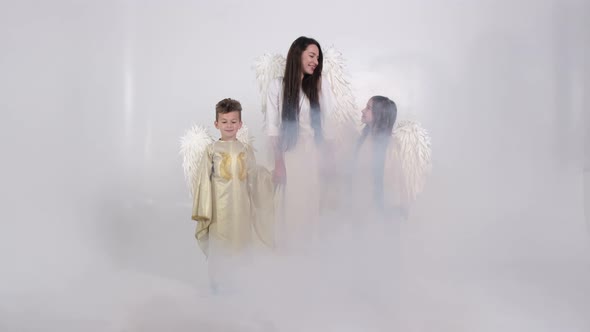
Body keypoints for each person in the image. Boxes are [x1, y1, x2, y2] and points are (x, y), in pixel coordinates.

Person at [192, 98, 274, 291]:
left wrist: (269, 177)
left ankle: (239, 288)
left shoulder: (245, 150)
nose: (229, 125)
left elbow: (254, 177)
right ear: (216, 124)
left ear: (240, 124)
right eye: (224, 121)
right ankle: (218, 288)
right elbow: (203, 181)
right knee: (220, 247)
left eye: (233, 121)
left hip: (242, 210)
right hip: (220, 212)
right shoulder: (211, 151)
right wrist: (205, 211)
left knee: (241, 246)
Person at [265, 36, 336, 249]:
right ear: (298, 54)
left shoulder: (320, 85)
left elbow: (329, 124)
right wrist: (279, 164)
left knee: (312, 203)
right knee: (290, 204)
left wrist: (328, 160)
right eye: (311, 56)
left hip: (313, 152)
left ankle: (309, 255)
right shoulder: (277, 86)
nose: (315, 61)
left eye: (318, 58)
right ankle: (289, 255)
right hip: (289, 151)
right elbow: (273, 129)